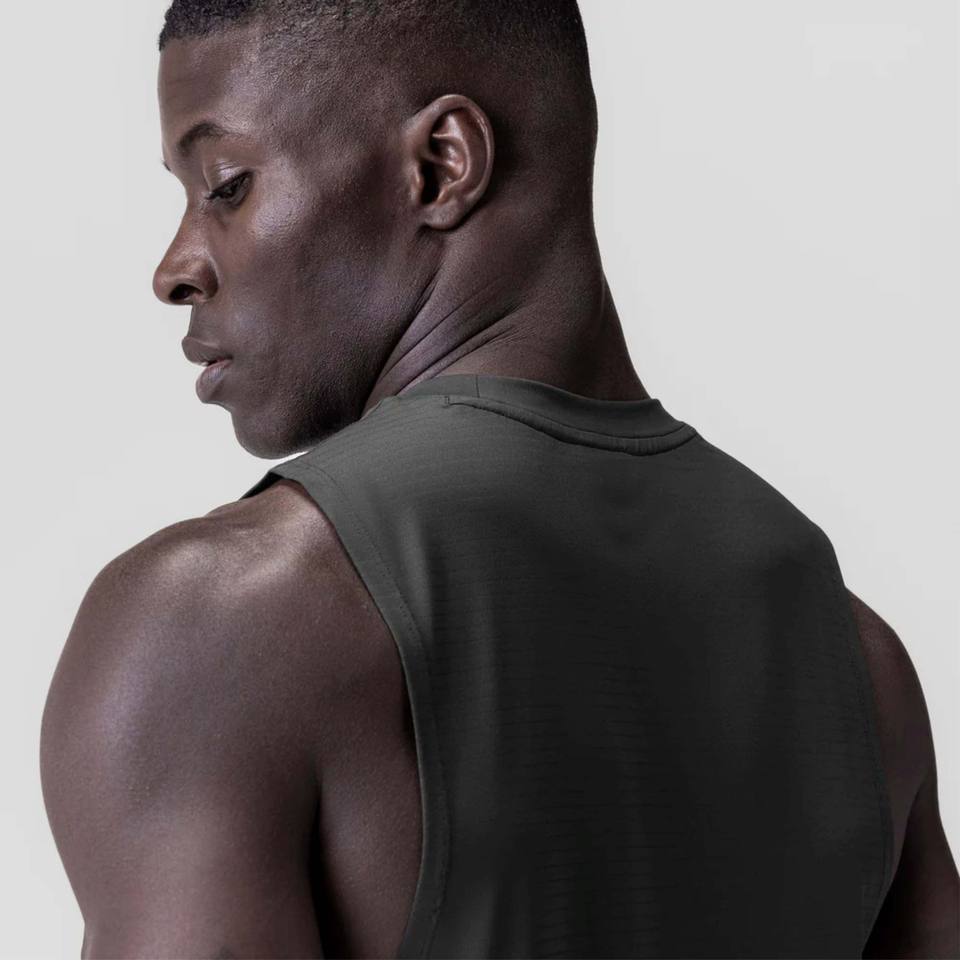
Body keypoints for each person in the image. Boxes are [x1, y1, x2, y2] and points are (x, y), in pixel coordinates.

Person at [40, 1, 958, 957]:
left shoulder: (215, 631)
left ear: (443, 165)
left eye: (226, 186)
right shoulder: (860, 664)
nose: (175, 268)